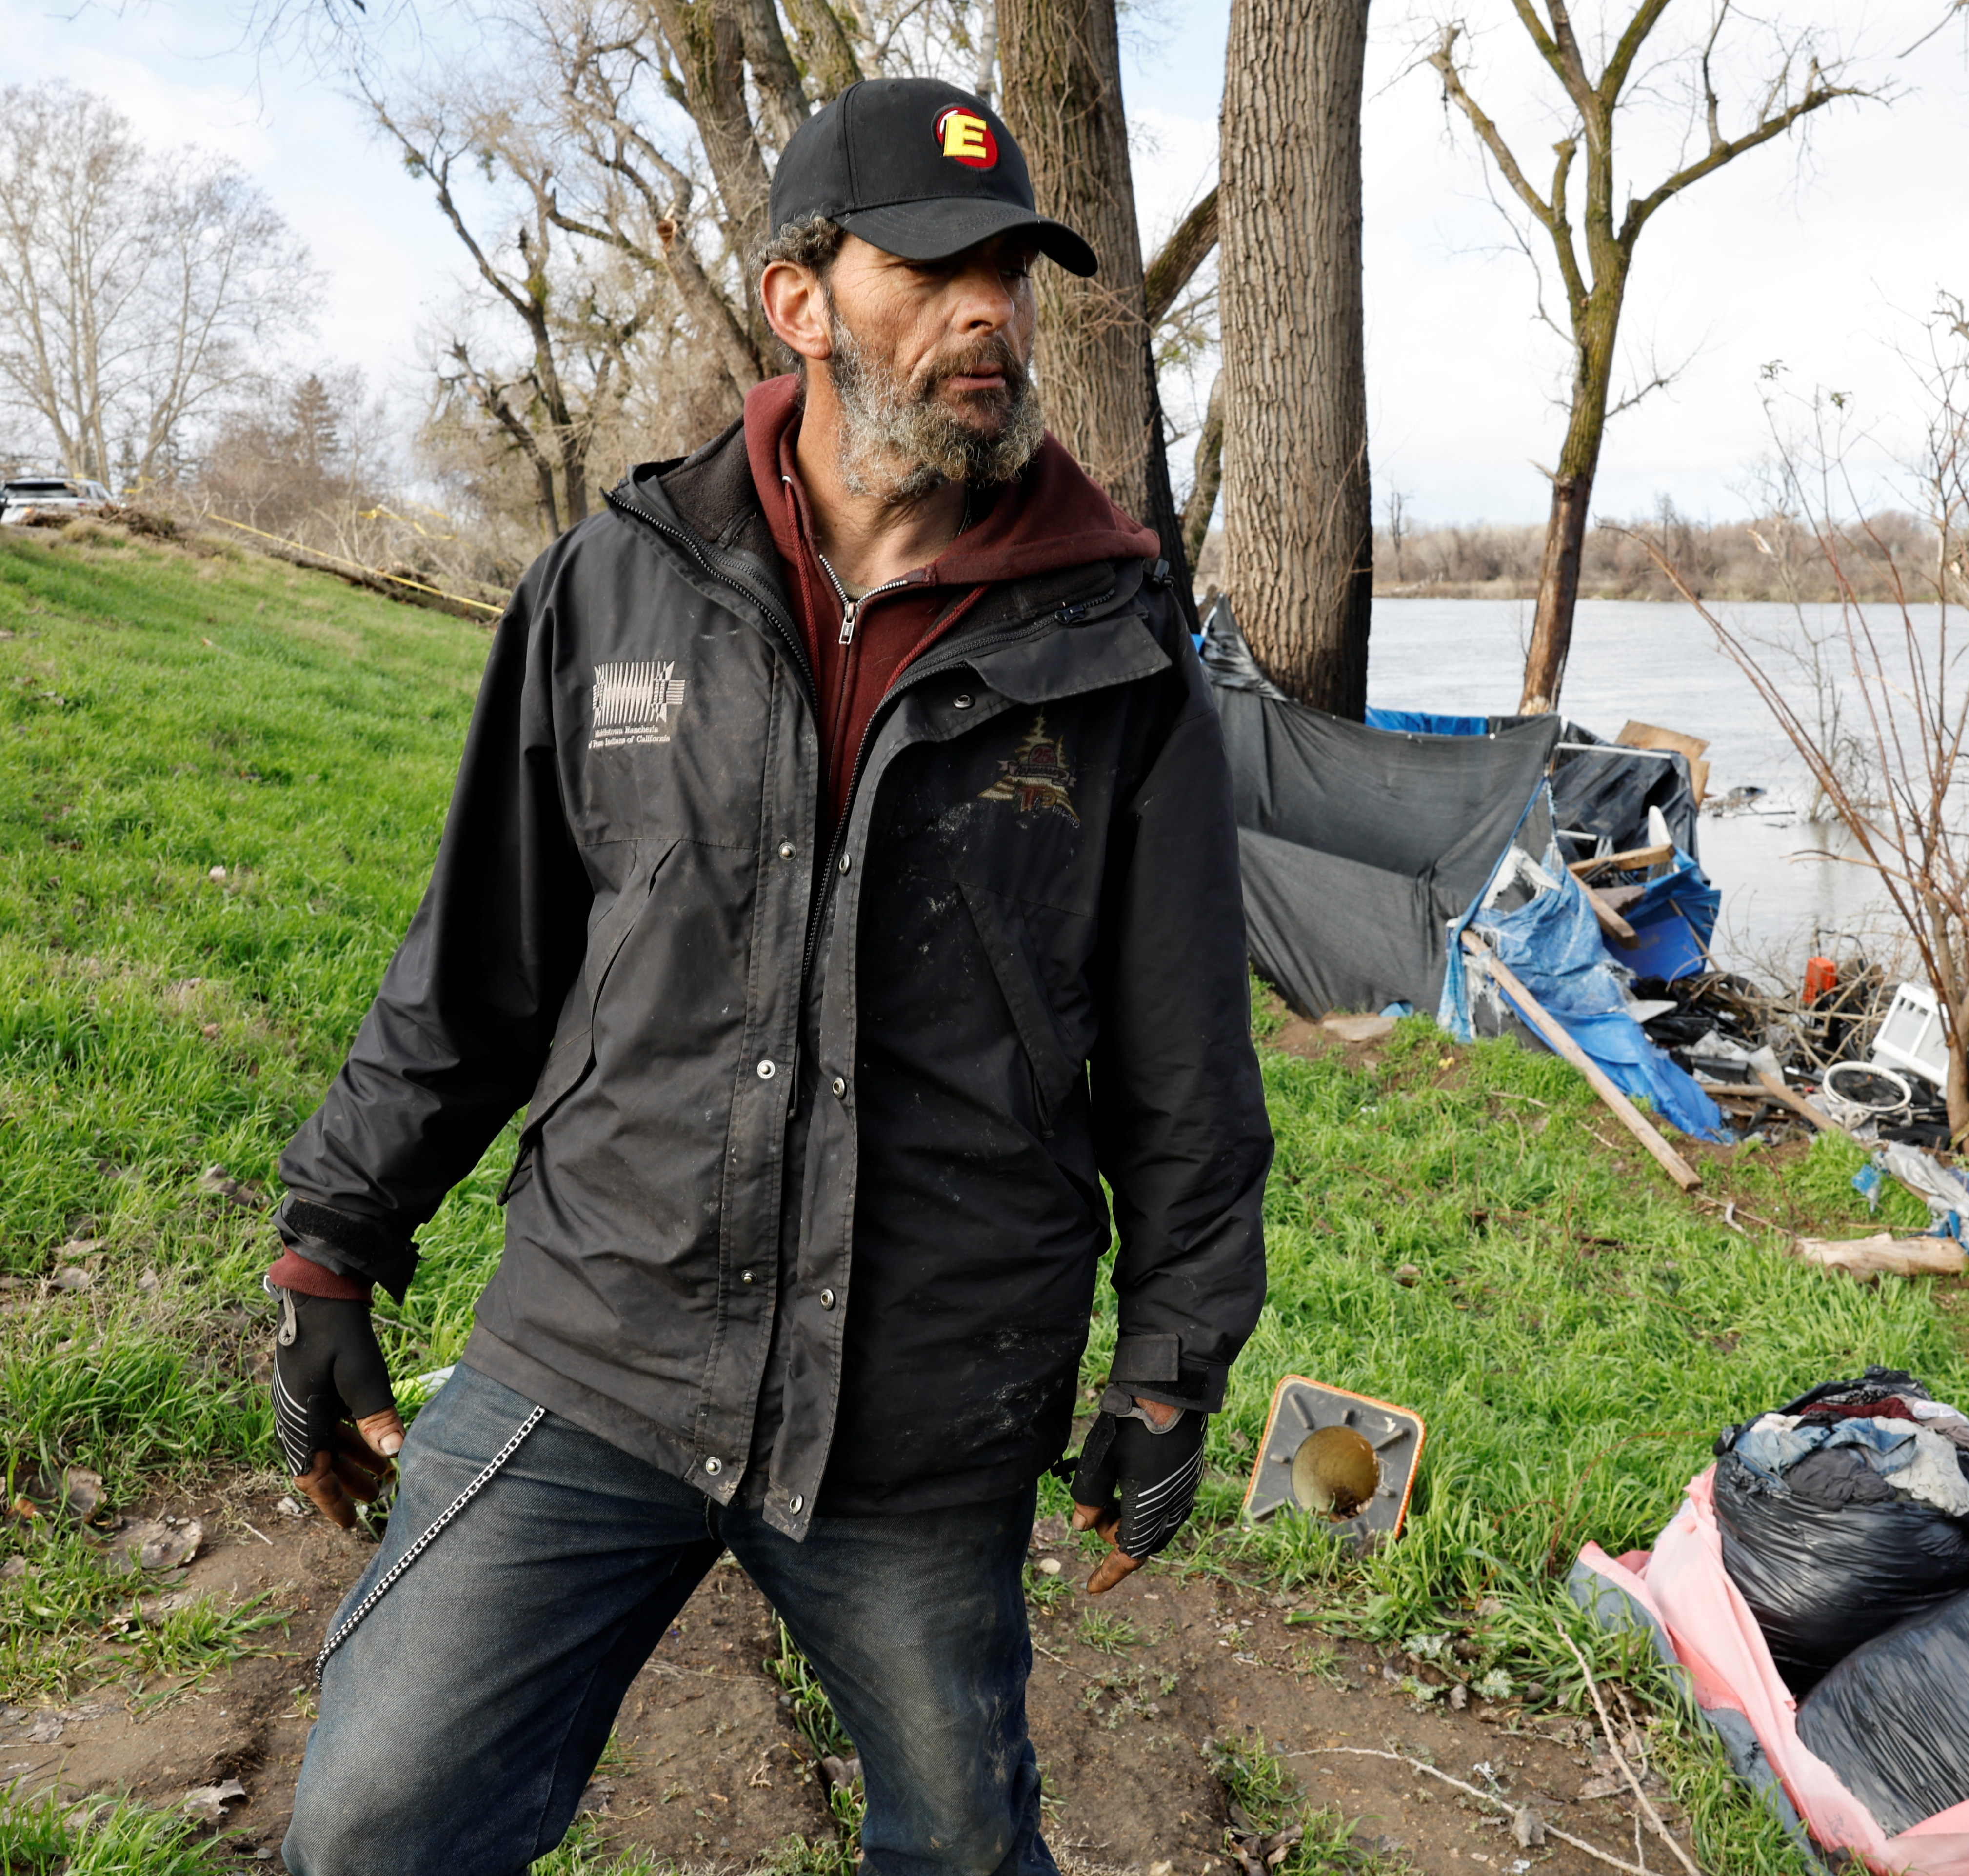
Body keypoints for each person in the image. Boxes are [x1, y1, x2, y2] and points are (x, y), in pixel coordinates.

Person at [263, 77, 1270, 1876]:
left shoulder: (1118, 650)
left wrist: (1175, 1368)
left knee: (962, 1850)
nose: (992, 315)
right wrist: (333, 1243)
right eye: (939, 268)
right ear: (799, 301)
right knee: (368, 1827)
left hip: (926, 1390)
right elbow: (475, 966)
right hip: (599, 1337)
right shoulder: (611, 590)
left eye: (1017, 273)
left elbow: (1187, 1062)